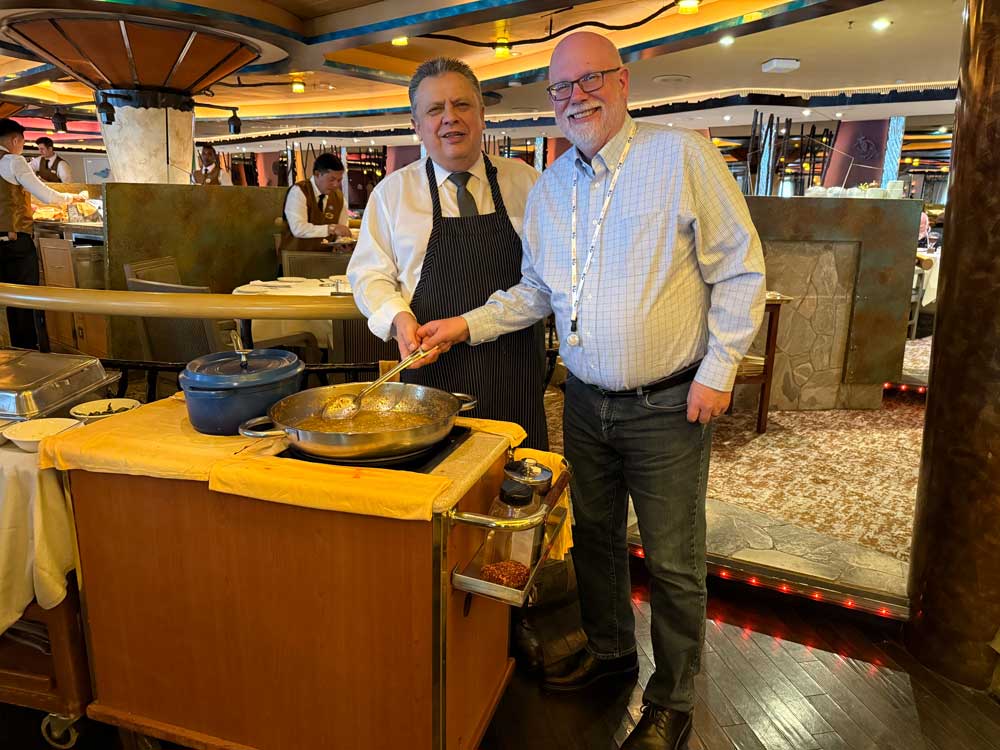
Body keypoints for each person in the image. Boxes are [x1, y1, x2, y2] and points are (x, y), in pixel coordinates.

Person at [417, 33, 765, 748]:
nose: (576, 98)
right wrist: (462, 324)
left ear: (623, 81)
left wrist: (719, 369)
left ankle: (671, 700)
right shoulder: (550, 189)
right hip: (583, 398)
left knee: (671, 559)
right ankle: (612, 655)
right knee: (597, 542)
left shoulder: (681, 157)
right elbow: (536, 292)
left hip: (669, 403)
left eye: (589, 81)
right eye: (561, 89)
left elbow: (740, 267)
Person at [347, 57, 548, 449]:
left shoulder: (528, 183)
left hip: (514, 371)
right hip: (430, 371)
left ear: (482, 114)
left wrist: (469, 324)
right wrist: (398, 318)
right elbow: (368, 275)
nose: (450, 118)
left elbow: (543, 282)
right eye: (435, 110)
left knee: (519, 484)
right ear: (416, 126)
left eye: (461, 105)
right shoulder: (392, 194)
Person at [0, 119, 86, 348]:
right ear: (15, 140)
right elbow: (46, 194)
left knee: (7, 299)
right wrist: (72, 198)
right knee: (25, 299)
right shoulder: (13, 160)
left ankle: (12, 353)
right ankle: (29, 353)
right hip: (14, 241)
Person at [278, 152, 351, 254]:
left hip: (324, 263)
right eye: (332, 179)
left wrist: (341, 244)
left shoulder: (339, 198)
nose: (336, 185)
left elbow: (341, 229)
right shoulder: (299, 191)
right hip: (294, 261)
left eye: (339, 180)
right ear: (317, 174)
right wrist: (331, 229)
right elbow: (298, 228)